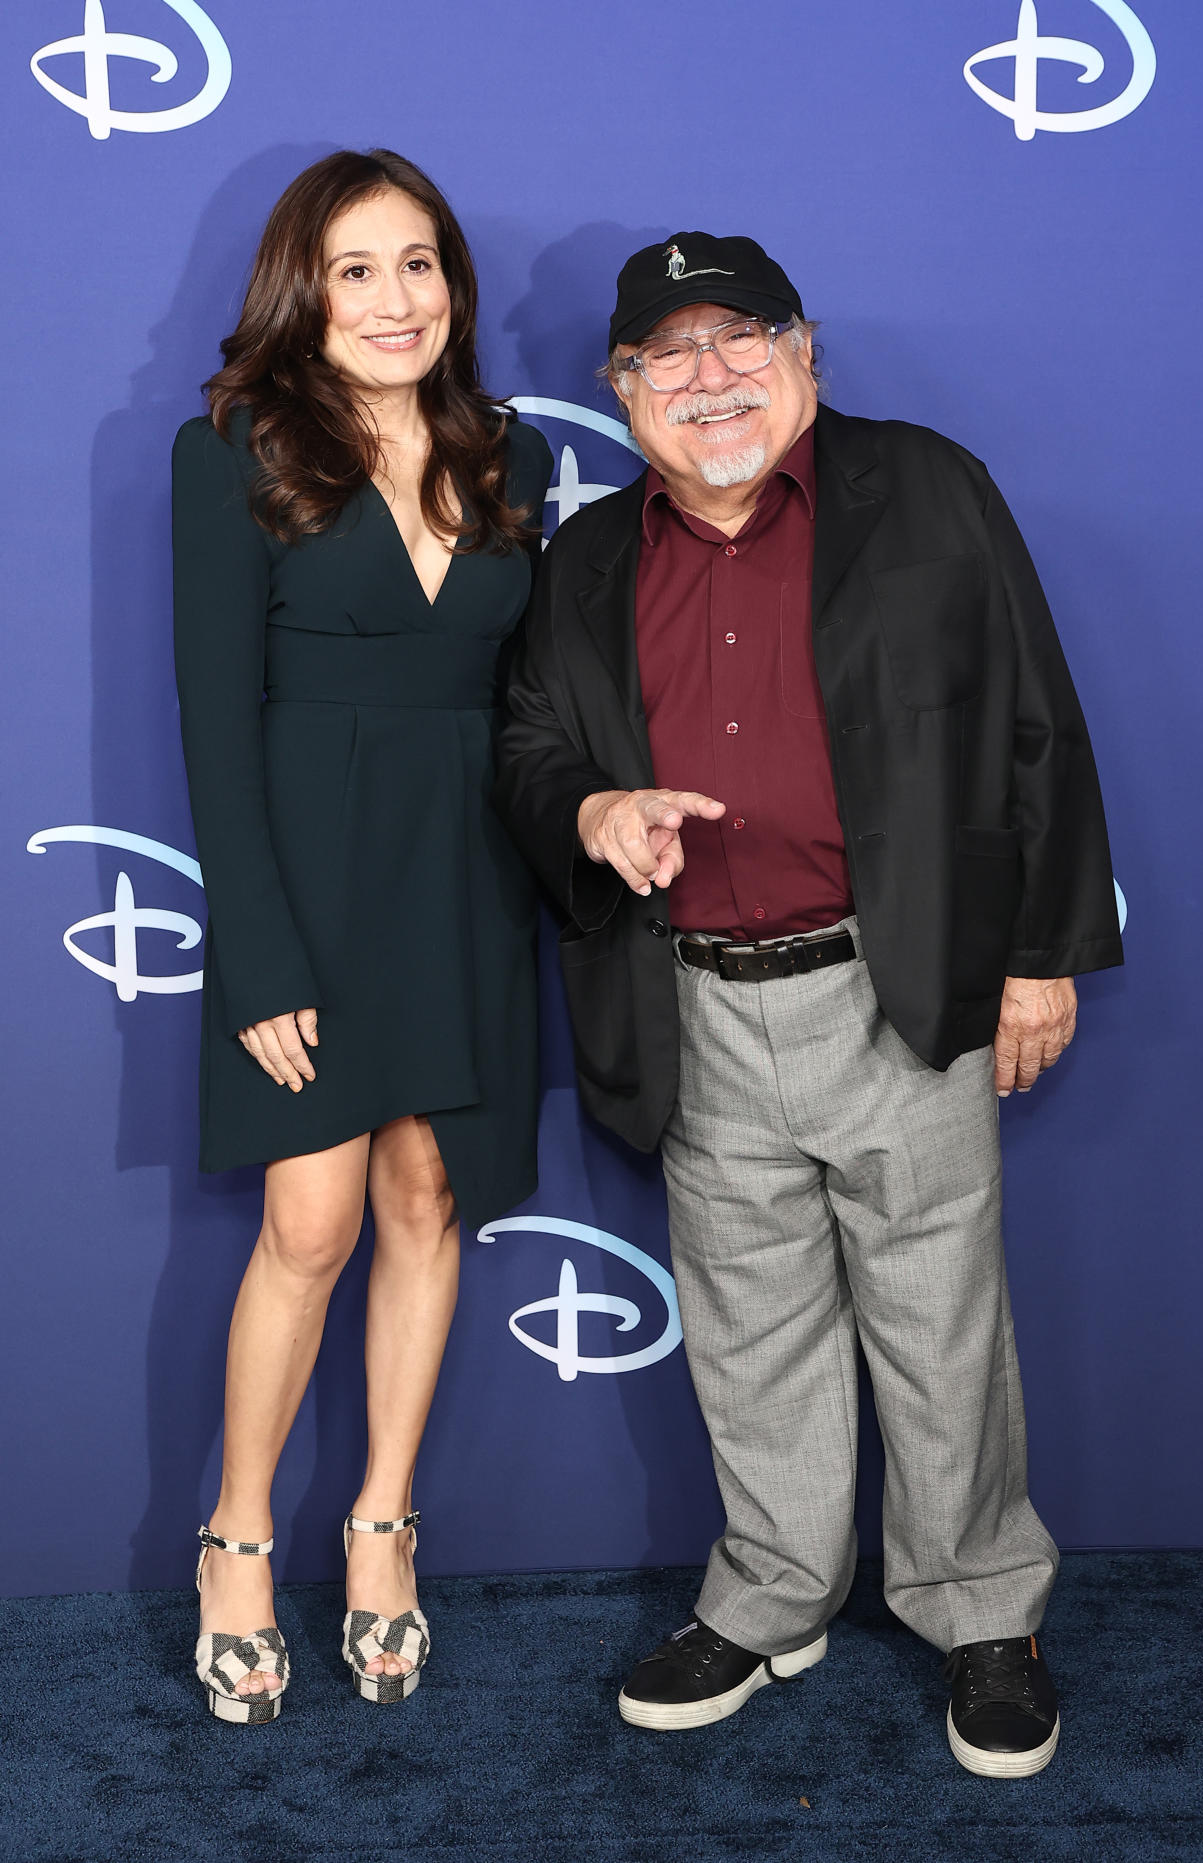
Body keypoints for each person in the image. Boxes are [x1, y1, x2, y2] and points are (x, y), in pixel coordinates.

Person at [494, 232, 1122, 1775]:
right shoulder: (580, 562)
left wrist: (1037, 954)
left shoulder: (922, 488)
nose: (707, 377)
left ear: (805, 353)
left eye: (740, 339)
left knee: (936, 1325)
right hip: (690, 1002)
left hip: (892, 982)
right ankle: (773, 1596)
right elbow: (524, 745)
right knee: (748, 1336)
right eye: (666, 356)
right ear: (620, 391)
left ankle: (981, 1610)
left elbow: (1033, 716)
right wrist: (586, 813)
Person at [172, 149, 551, 1723]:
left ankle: (383, 1524)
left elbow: (532, 699)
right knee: (309, 1224)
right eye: (356, 270)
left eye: (419, 264)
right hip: (311, 893)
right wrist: (255, 955)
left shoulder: (506, 452)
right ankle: (235, 1541)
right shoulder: (238, 450)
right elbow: (213, 715)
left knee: (423, 1201)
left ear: (450, 284)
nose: (396, 299)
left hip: (465, 876)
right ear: (302, 292)